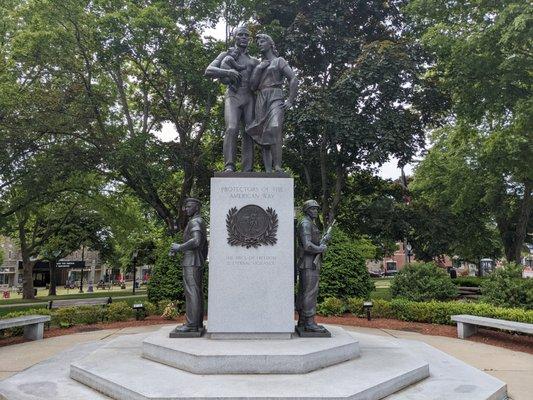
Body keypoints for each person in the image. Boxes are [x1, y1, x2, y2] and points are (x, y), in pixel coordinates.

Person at [205, 27, 259, 172]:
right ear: (234, 37)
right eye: (240, 35)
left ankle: (247, 168)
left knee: (249, 131)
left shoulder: (253, 61)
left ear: (249, 39)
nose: (243, 37)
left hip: (250, 98)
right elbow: (208, 70)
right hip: (233, 96)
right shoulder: (226, 55)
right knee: (231, 127)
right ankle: (229, 165)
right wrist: (227, 71)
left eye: (246, 35)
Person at [246, 34, 298, 172]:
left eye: (262, 41)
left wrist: (290, 100)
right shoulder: (259, 64)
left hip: (276, 95)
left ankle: (277, 165)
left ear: (270, 44)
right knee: (263, 132)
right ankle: (268, 169)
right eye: (258, 42)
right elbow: (252, 86)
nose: (260, 44)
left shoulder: (279, 61)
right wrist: (259, 68)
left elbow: (293, 78)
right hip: (261, 97)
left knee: (275, 128)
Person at [169, 198, 208, 332]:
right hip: (195, 260)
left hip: (192, 261)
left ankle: (192, 325)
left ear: (196, 207)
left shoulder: (195, 221)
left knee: (192, 292)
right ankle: (197, 324)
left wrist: (179, 247)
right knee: (196, 292)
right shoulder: (199, 221)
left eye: (189, 206)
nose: (185, 209)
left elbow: (196, 241)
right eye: (185, 206)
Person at [296, 200, 330, 333]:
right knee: (310, 292)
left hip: (308, 262)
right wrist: (320, 248)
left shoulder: (309, 223)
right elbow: (307, 245)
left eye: (316, 209)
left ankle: (303, 320)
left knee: (305, 292)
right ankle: (309, 322)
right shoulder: (305, 223)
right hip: (308, 263)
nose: (316, 211)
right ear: (306, 210)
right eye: (313, 209)